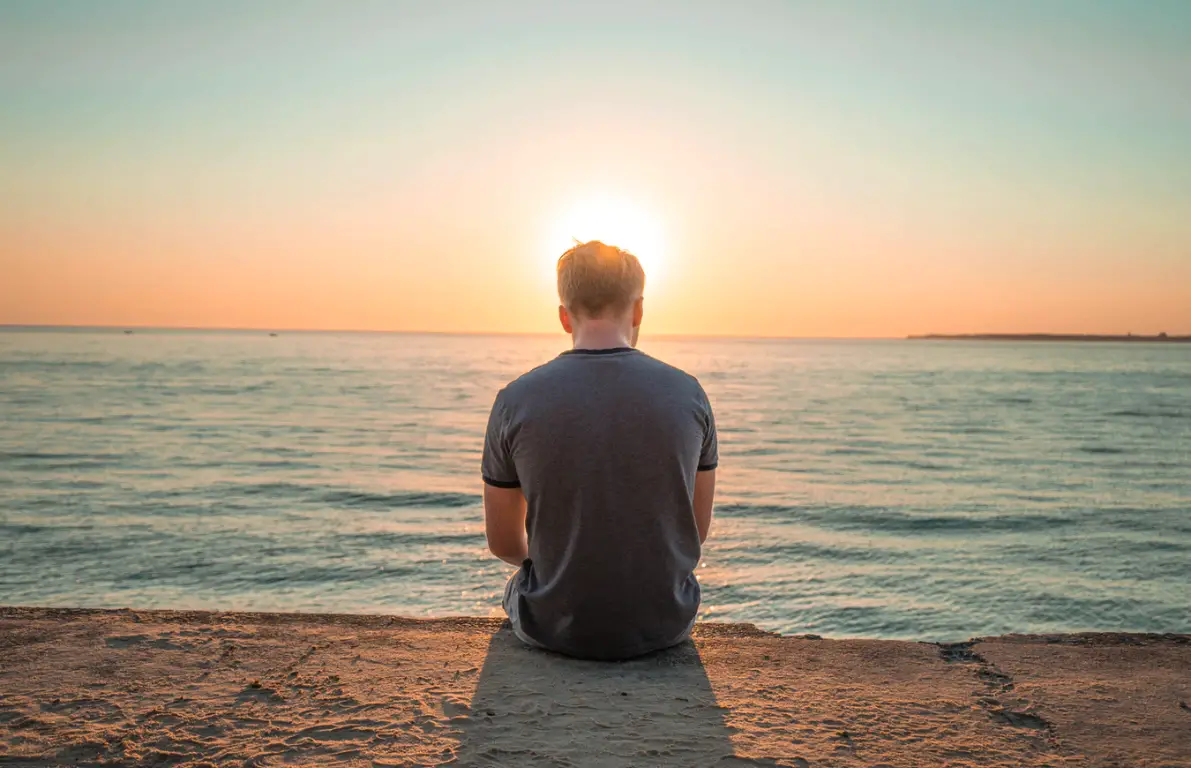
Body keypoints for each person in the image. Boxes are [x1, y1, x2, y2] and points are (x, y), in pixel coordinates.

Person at [481, 240, 718, 660]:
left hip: (553, 625)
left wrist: (562, 561)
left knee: (522, 585)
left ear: (563, 316)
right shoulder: (689, 395)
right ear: (639, 309)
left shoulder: (514, 400)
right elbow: (693, 534)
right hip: (664, 623)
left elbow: (503, 542)